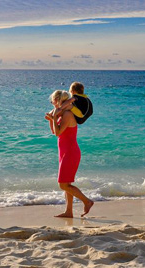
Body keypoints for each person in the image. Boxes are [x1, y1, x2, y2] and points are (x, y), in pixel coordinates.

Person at [45, 90, 94, 218]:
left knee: (63, 184)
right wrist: (52, 119)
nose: (52, 103)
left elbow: (58, 133)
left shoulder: (67, 114)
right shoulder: (62, 113)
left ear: (58, 100)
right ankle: (69, 212)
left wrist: (54, 117)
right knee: (67, 184)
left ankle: (87, 201)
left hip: (71, 152)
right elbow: (54, 132)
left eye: (53, 100)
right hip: (64, 152)